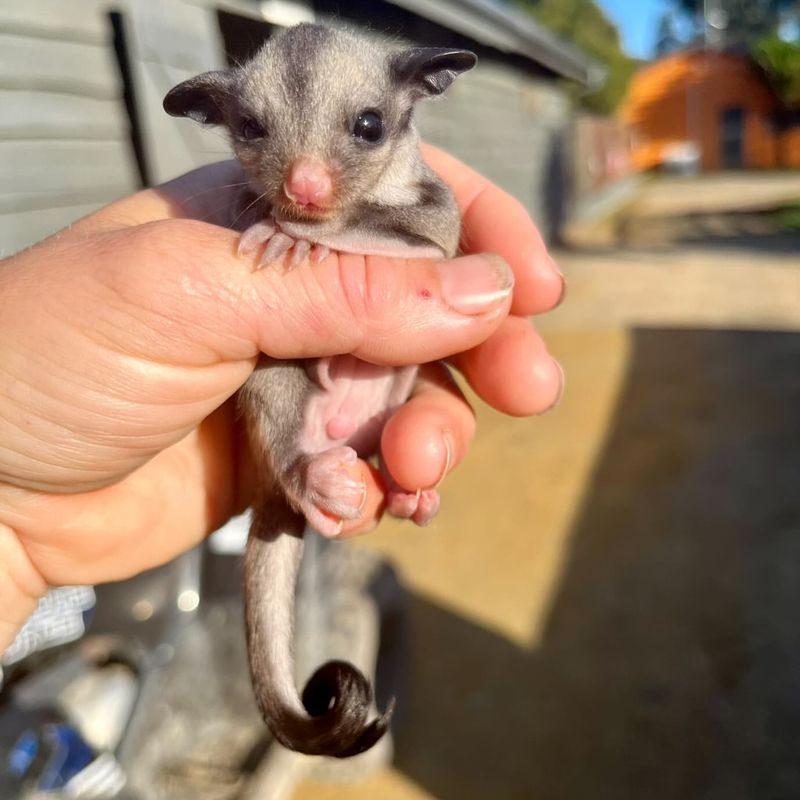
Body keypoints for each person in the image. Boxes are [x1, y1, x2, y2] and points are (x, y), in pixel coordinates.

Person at [0, 146, 564, 654]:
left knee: (413, 427)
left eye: (363, 128)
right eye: (258, 131)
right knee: (276, 367)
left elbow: (431, 239)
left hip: (363, 409)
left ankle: (393, 482)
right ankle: (312, 473)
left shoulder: (422, 190)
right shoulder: (247, 212)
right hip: (295, 417)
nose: (305, 181)